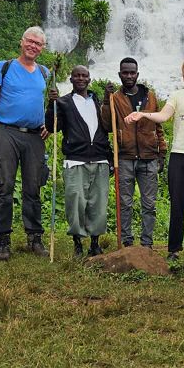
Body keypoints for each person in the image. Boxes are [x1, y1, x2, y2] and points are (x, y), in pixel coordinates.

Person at [124, 57, 184, 267]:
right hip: (179, 155)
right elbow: (163, 116)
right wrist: (141, 114)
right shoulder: (177, 96)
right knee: (177, 205)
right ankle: (173, 250)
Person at [0, 26, 50, 260]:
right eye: (30, 41)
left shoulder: (45, 72)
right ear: (21, 41)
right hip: (7, 132)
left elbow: (40, 103)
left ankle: (34, 238)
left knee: (33, 187)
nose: (33, 46)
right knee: (4, 185)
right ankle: (3, 240)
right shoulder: (3, 67)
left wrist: (47, 123)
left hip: (35, 136)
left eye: (38, 43)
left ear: (42, 48)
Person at [45, 66, 113, 257]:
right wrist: (51, 105)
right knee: (75, 201)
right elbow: (52, 126)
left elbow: (106, 128)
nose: (81, 79)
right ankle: (77, 242)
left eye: (84, 76)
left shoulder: (97, 101)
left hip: (100, 159)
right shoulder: (64, 102)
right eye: (77, 76)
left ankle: (94, 242)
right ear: (71, 79)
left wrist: (109, 157)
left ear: (90, 79)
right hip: (75, 160)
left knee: (98, 203)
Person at [101, 57, 167, 249]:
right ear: (119, 74)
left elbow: (158, 124)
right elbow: (107, 125)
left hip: (149, 157)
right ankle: (126, 242)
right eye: (125, 72)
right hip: (124, 157)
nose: (129, 76)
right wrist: (106, 100)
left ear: (137, 74)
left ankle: (147, 244)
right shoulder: (115, 98)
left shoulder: (151, 97)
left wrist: (162, 153)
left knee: (149, 204)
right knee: (125, 203)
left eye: (132, 72)